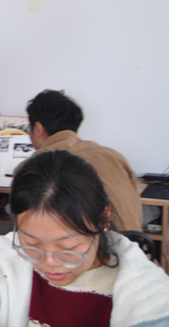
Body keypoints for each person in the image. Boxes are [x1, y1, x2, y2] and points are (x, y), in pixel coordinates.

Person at [0, 150, 169, 327]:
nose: (49, 263)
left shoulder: (150, 302)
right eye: (32, 245)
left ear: (103, 220)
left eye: (68, 248)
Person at [26, 89, 143, 232]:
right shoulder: (114, 156)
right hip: (134, 245)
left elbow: (25, 225)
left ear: (38, 128)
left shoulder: (34, 165)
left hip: (91, 246)